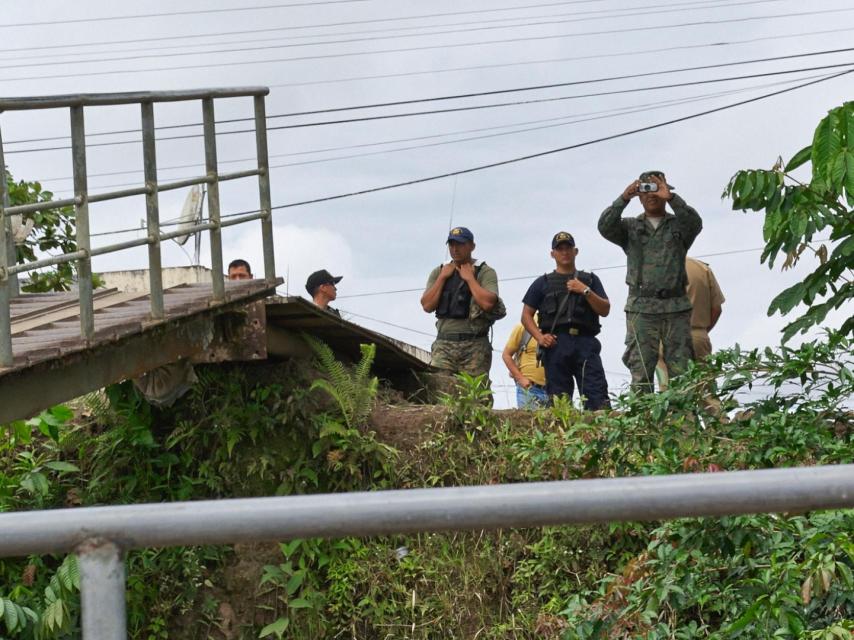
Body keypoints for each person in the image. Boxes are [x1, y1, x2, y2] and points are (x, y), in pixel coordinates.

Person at [598, 171, 702, 393]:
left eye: (656, 189)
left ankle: (682, 424)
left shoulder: (679, 226)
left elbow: (695, 223)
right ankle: (642, 424)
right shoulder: (630, 227)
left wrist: (672, 198)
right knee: (641, 370)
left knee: (682, 371)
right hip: (642, 308)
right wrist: (623, 198)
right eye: (645, 190)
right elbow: (605, 227)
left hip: (675, 307)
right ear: (639, 194)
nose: (651, 195)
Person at [520, 232, 611, 409]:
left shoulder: (589, 280)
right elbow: (526, 315)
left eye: (568, 248)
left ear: (575, 251)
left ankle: (600, 434)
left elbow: (605, 309)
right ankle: (561, 436)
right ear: (552, 254)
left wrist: (585, 290)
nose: (564, 252)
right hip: (556, 344)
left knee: (597, 396)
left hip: (585, 342)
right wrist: (540, 337)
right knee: (558, 400)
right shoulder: (543, 282)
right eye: (559, 249)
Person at [420, 226, 504, 380]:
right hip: (444, 344)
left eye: (460, 244)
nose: (455, 249)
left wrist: (470, 279)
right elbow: (427, 305)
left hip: (475, 344)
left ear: (472, 246)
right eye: (451, 245)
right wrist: (443, 278)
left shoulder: (484, 272)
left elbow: (488, 303)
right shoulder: (439, 271)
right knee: (439, 390)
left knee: (474, 395)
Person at [656, 257, 725, 388]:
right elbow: (716, 309)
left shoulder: (653, 269)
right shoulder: (702, 268)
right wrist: (700, 332)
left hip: (667, 338)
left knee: (670, 393)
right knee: (705, 389)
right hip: (697, 336)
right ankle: (712, 408)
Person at [501, 318, 548, 409]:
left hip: (554, 390)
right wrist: (520, 378)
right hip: (529, 389)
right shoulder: (524, 327)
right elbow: (506, 355)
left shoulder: (559, 327)